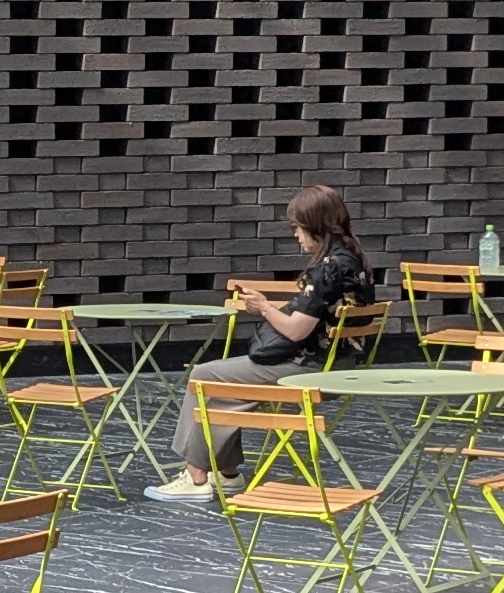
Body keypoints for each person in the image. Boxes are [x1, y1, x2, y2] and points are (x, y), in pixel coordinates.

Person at [150, 184, 376, 500]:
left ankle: (196, 476)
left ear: (315, 224)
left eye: (297, 227)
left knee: (203, 376)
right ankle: (226, 475)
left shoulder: (329, 268)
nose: (295, 235)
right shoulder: (355, 257)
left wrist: (264, 307)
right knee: (225, 385)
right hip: (340, 364)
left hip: (308, 368)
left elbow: (297, 330)